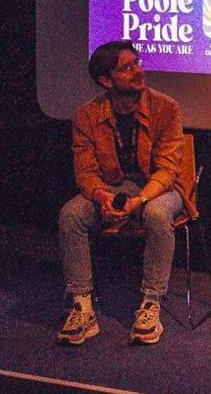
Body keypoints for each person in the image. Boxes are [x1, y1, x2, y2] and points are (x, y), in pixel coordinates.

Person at [57, 40, 185, 345]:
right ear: (106, 80)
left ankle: (151, 303)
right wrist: (103, 198)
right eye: (126, 68)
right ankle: (82, 306)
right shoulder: (87, 116)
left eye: (137, 63)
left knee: (155, 212)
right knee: (71, 214)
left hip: (162, 188)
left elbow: (168, 171)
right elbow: (86, 173)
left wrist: (138, 200)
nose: (138, 71)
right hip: (115, 189)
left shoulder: (165, 108)